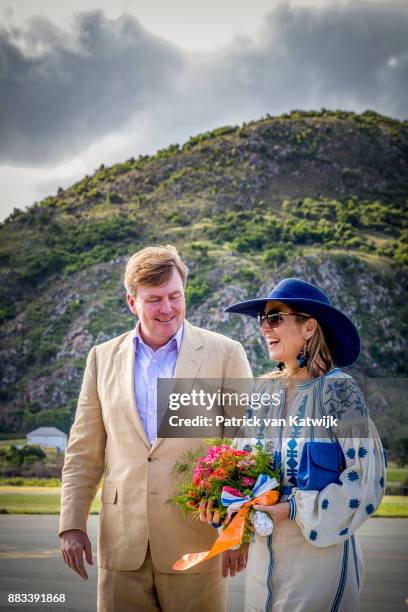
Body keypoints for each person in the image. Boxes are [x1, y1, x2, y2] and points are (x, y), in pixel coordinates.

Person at [59, 245, 252, 612]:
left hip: (198, 541)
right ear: (132, 302)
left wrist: (237, 531)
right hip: (121, 547)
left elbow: (244, 449)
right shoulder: (101, 358)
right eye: (154, 300)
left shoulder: (225, 353)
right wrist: (71, 524)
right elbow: (83, 450)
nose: (167, 308)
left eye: (174, 296)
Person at [221, 277, 386, 612]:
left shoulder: (340, 392)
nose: (265, 328)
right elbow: (240, 463)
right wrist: (236, 529)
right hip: (262, 558)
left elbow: (366, 480)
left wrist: (293, 508)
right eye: (262, 319)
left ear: (309, 327)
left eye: (275, 318)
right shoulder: (263, 391)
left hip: (318, 556)